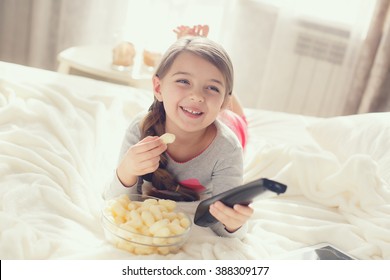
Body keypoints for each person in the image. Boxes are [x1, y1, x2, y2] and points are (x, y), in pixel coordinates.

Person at [106, 36, 252, 238]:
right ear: (158, 88)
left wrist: (234, 225)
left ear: (223, 101)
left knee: (241, 121)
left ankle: (231, 104)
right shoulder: (139, 129)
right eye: (183, 81)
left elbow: (224, 227)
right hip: (211, 111)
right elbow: (115, 201)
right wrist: (127, 170)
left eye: (212, 87)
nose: (197, 96)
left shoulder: (228, 149)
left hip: (233, 125)